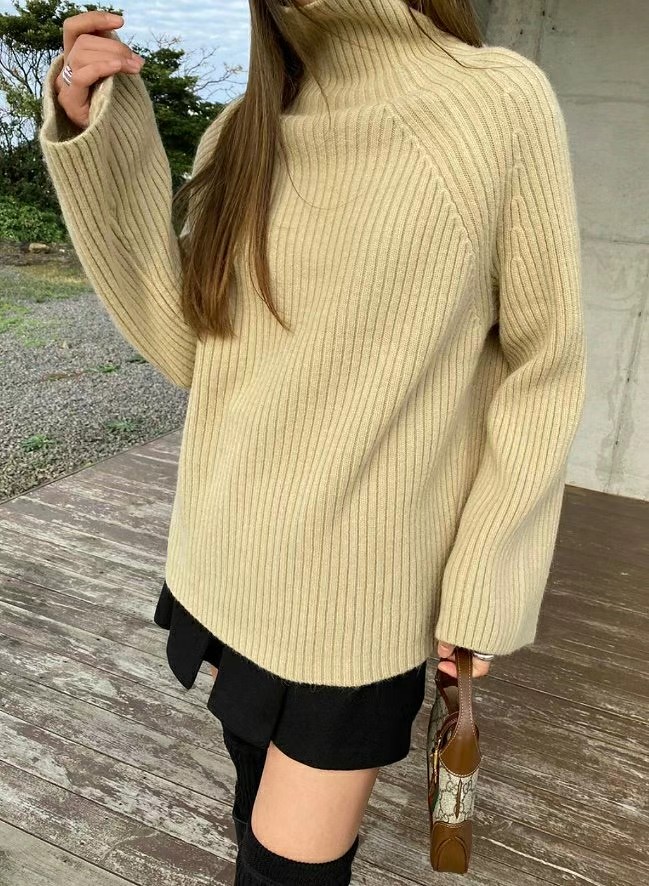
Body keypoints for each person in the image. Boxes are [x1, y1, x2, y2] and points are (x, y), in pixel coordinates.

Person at [38, 0, 586, 883]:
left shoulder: (494, 102)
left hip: (359, 599)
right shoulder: (242, 129)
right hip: (226, 564)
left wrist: (487, 576)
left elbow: (542, 366)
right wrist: (97, 138)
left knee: (286, 868)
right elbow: (195, 350)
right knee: (251, 809)